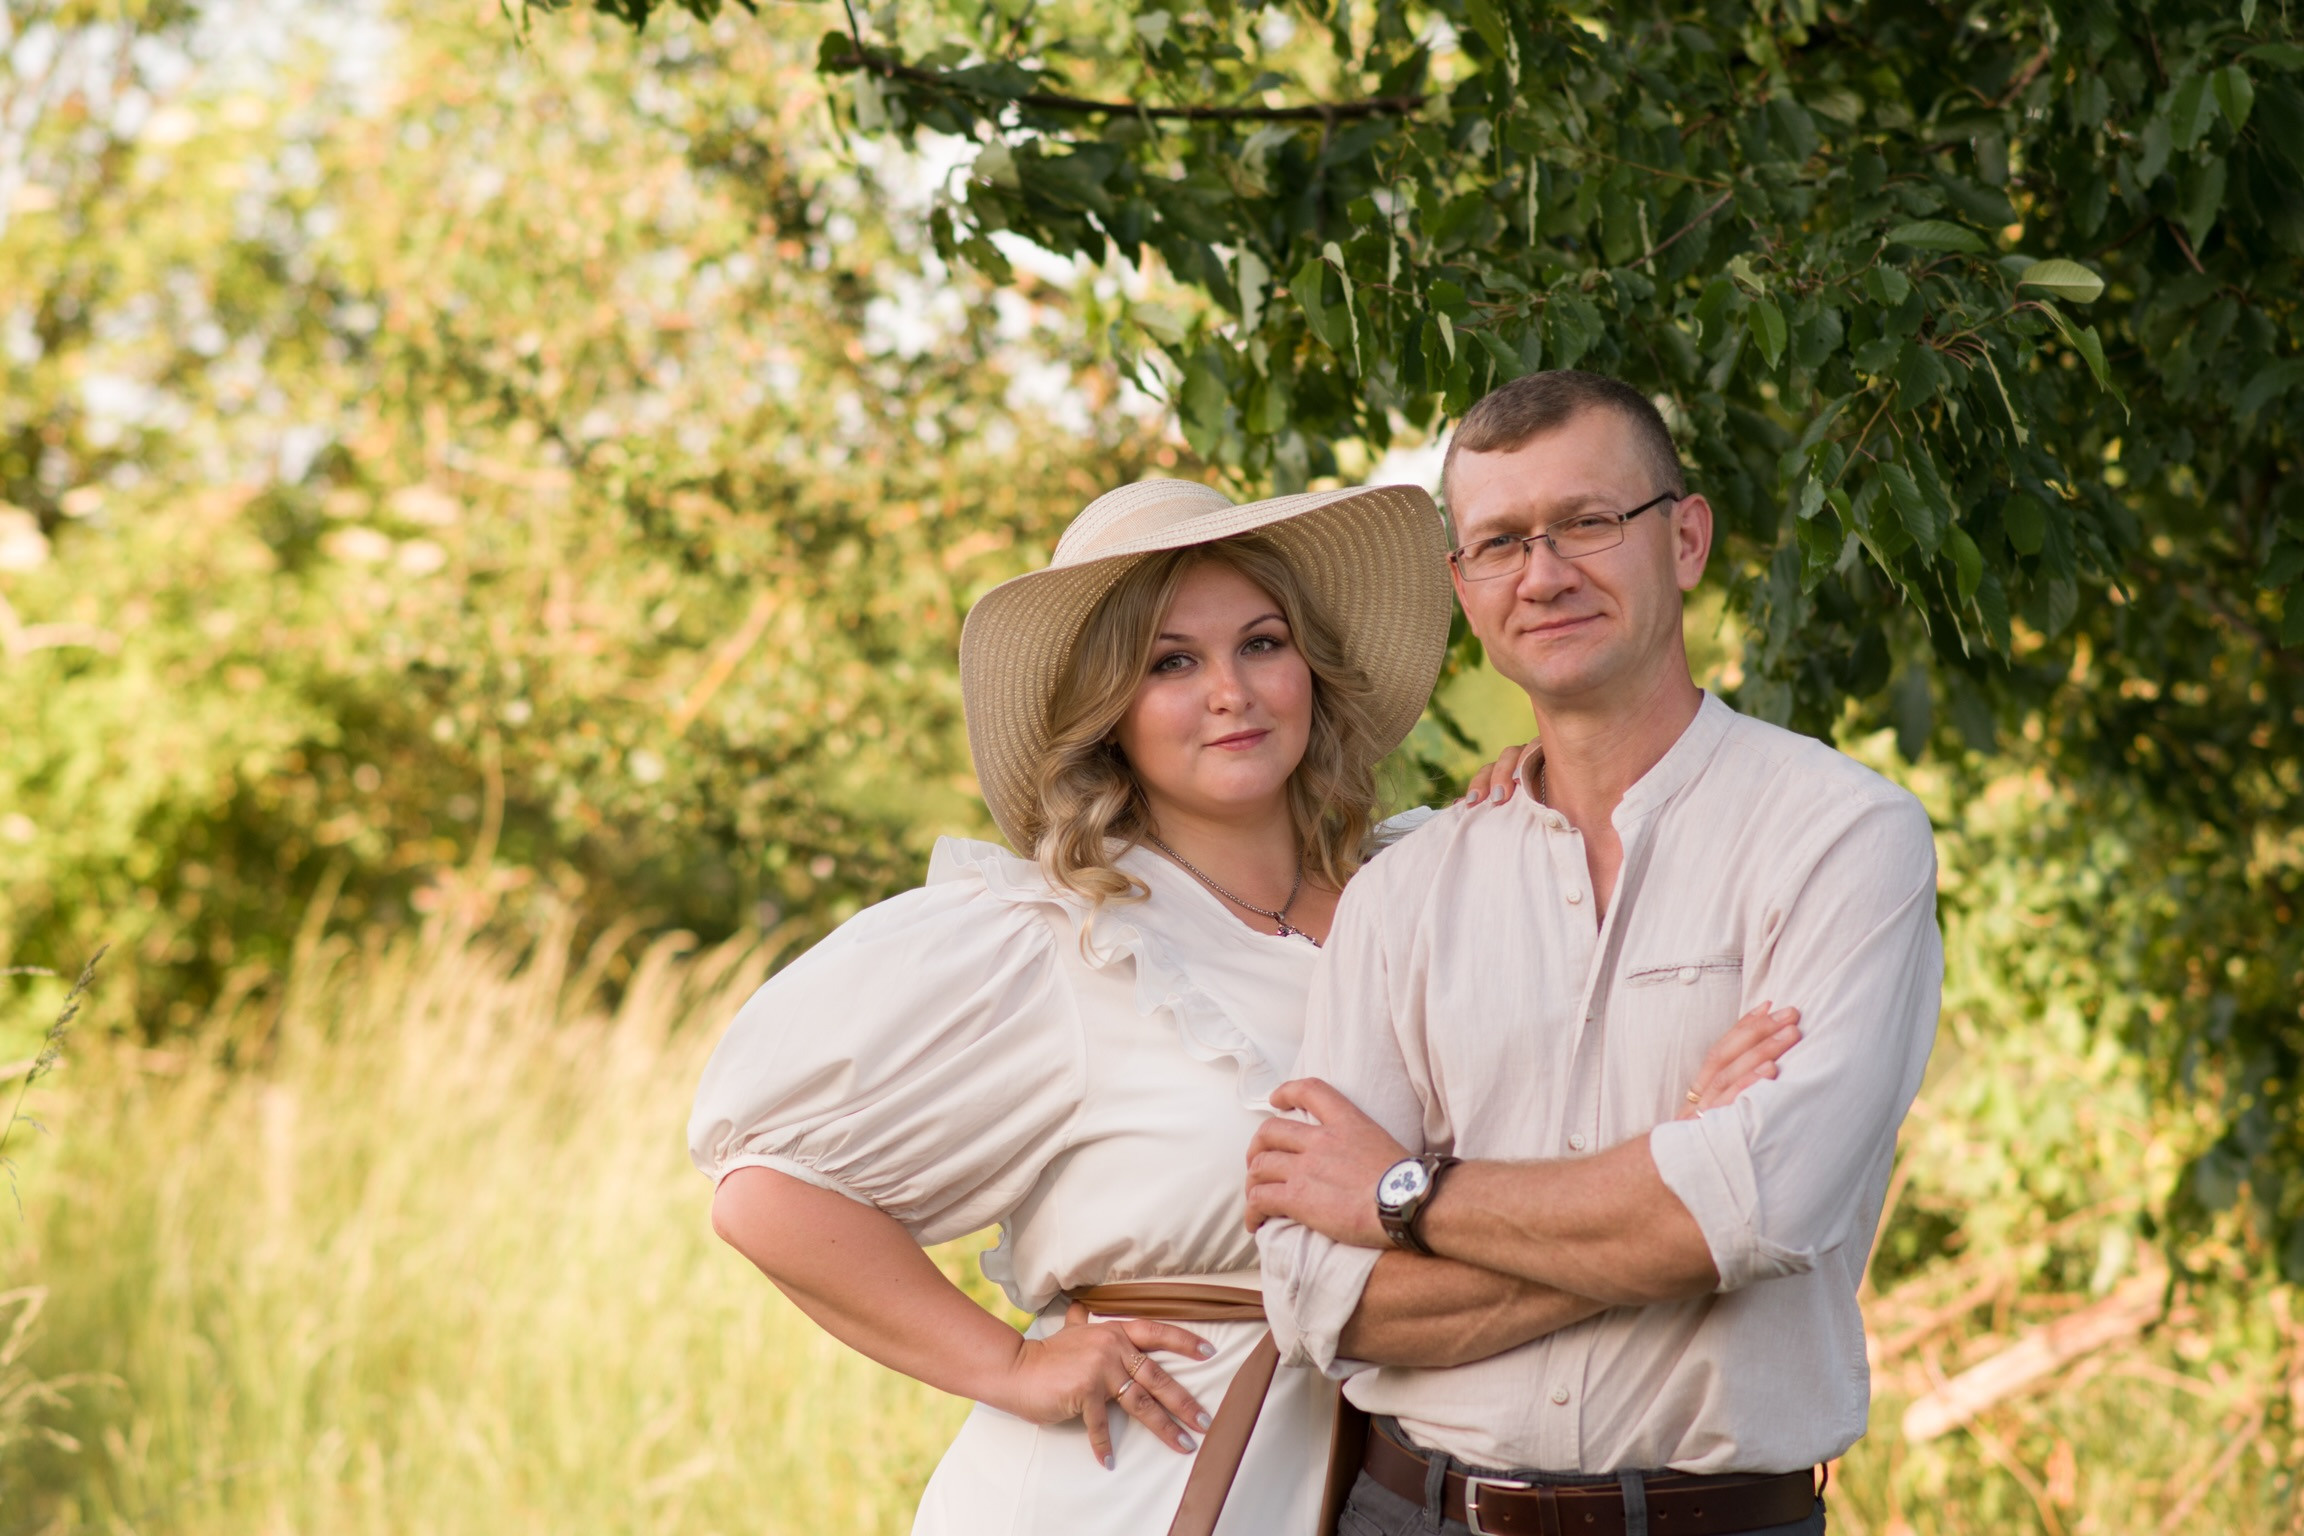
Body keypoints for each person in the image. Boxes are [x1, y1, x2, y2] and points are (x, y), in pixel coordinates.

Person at [687, 474, 1803, 1536]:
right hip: (1123, 1492)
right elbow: (770, 1190)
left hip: (1384, 1493)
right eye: (1171, 663)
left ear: (1309, 669)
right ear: (1107, 712)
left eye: (1260, 644)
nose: (1231, 690)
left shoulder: (1424, 885)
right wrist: (1010, 1363)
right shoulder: (1063, 938)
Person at [1247, 370, 1944, 1536]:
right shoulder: (1402, 896)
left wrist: (1398, 1191)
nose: (1546, 572)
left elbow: (1760, 1208)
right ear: (1465, 588)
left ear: (1685, 538)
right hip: (1414, 1515)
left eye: (1586, 523)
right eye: (1502, 542)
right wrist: (1668, 1196)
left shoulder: (1842, 836)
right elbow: (1323, 1298)